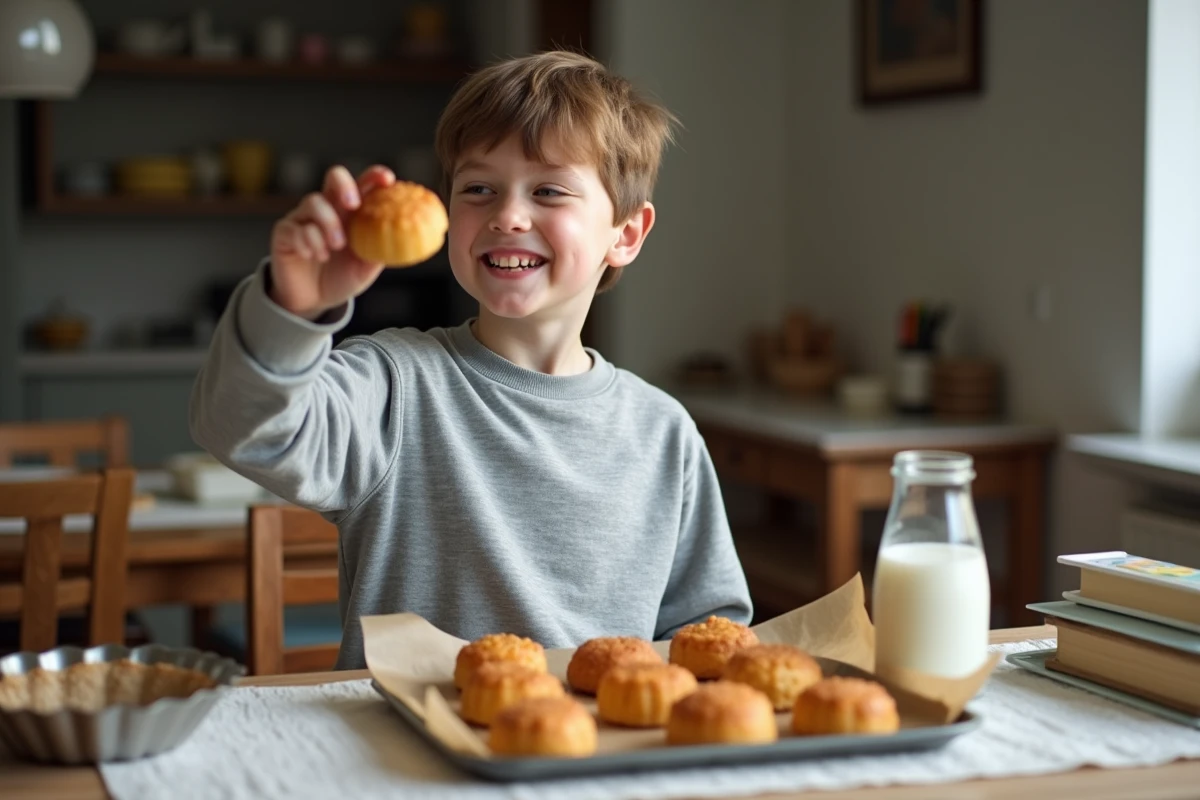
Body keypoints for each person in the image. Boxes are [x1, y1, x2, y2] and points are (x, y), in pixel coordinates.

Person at [189, 50, 752, 670]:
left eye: (549, 190)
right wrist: (291, 306)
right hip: (407, 729)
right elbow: (242, 428)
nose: (507, 216)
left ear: (626, 234)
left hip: (594, 730)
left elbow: (708, 630)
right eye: (478, 189)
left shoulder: (664, 432)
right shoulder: (391, 386)